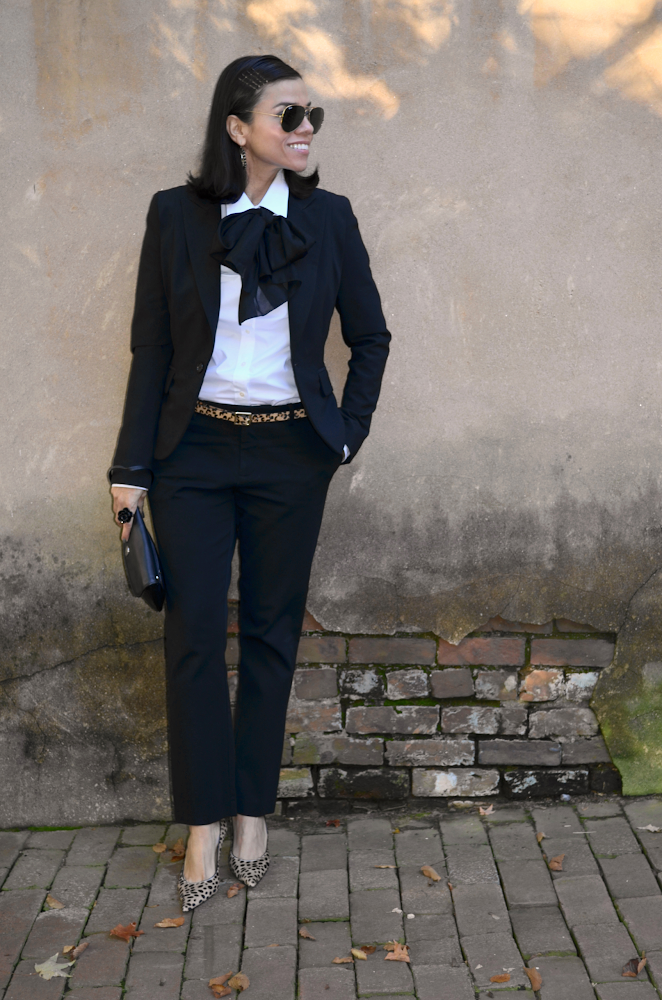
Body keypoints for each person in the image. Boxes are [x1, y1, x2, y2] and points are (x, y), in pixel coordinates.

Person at [109, 54, 390, 911]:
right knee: (193, 635)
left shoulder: (329, 219)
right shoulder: (176, 215)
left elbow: (371, 337)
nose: (305, 129)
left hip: (289, 454)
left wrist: (344, 435)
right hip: (192, 452)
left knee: (271, 635)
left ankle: (251, 815)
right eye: (287, 115)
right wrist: (129, 470)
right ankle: (201, 822)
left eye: (311, 116)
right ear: (238, 129)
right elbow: (153, 348)